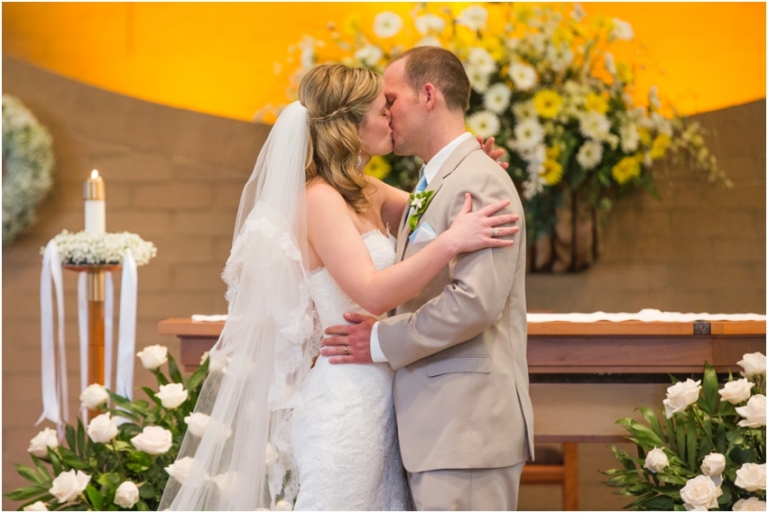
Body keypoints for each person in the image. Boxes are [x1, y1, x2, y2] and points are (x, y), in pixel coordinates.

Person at [159, 62, 518, 510]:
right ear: (350, 125)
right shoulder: (319, 198)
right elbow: (372, 292)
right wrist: (450, 243)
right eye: (380, 108)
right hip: (346, 395)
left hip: (386, 392)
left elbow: (433, 208)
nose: (390, 116)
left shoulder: (367, 191)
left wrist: (467, 167)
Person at [321, 47, 535, 511]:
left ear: (429, 95)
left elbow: (474, 303)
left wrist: (379, 341)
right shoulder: (437, 180)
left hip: (466, 427)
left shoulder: (477, 180)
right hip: (436, 427)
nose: (385, 111)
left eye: (391, 99)